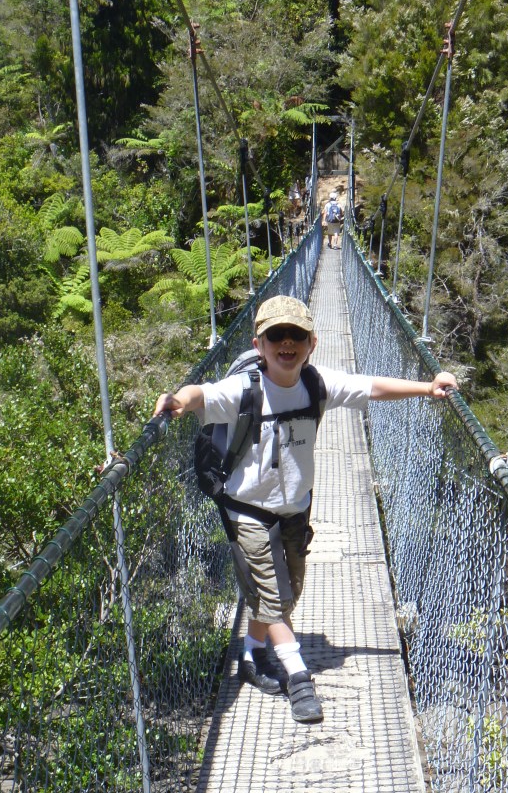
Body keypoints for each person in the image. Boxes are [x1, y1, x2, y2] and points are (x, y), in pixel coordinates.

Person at [153, 295, 458, 725]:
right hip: (246, 509)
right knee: (275, 596)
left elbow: (370, 387)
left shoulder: (316, 384)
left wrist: (427, 387)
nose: (286, 343)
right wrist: (178, 401)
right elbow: (200, 394)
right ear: (259, 345)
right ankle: (299, 679)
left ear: (312, 342)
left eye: (296, 335)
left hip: (295, 510)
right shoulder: (244, 389)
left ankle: (252, 654)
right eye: (275, 335)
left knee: (287, 593)